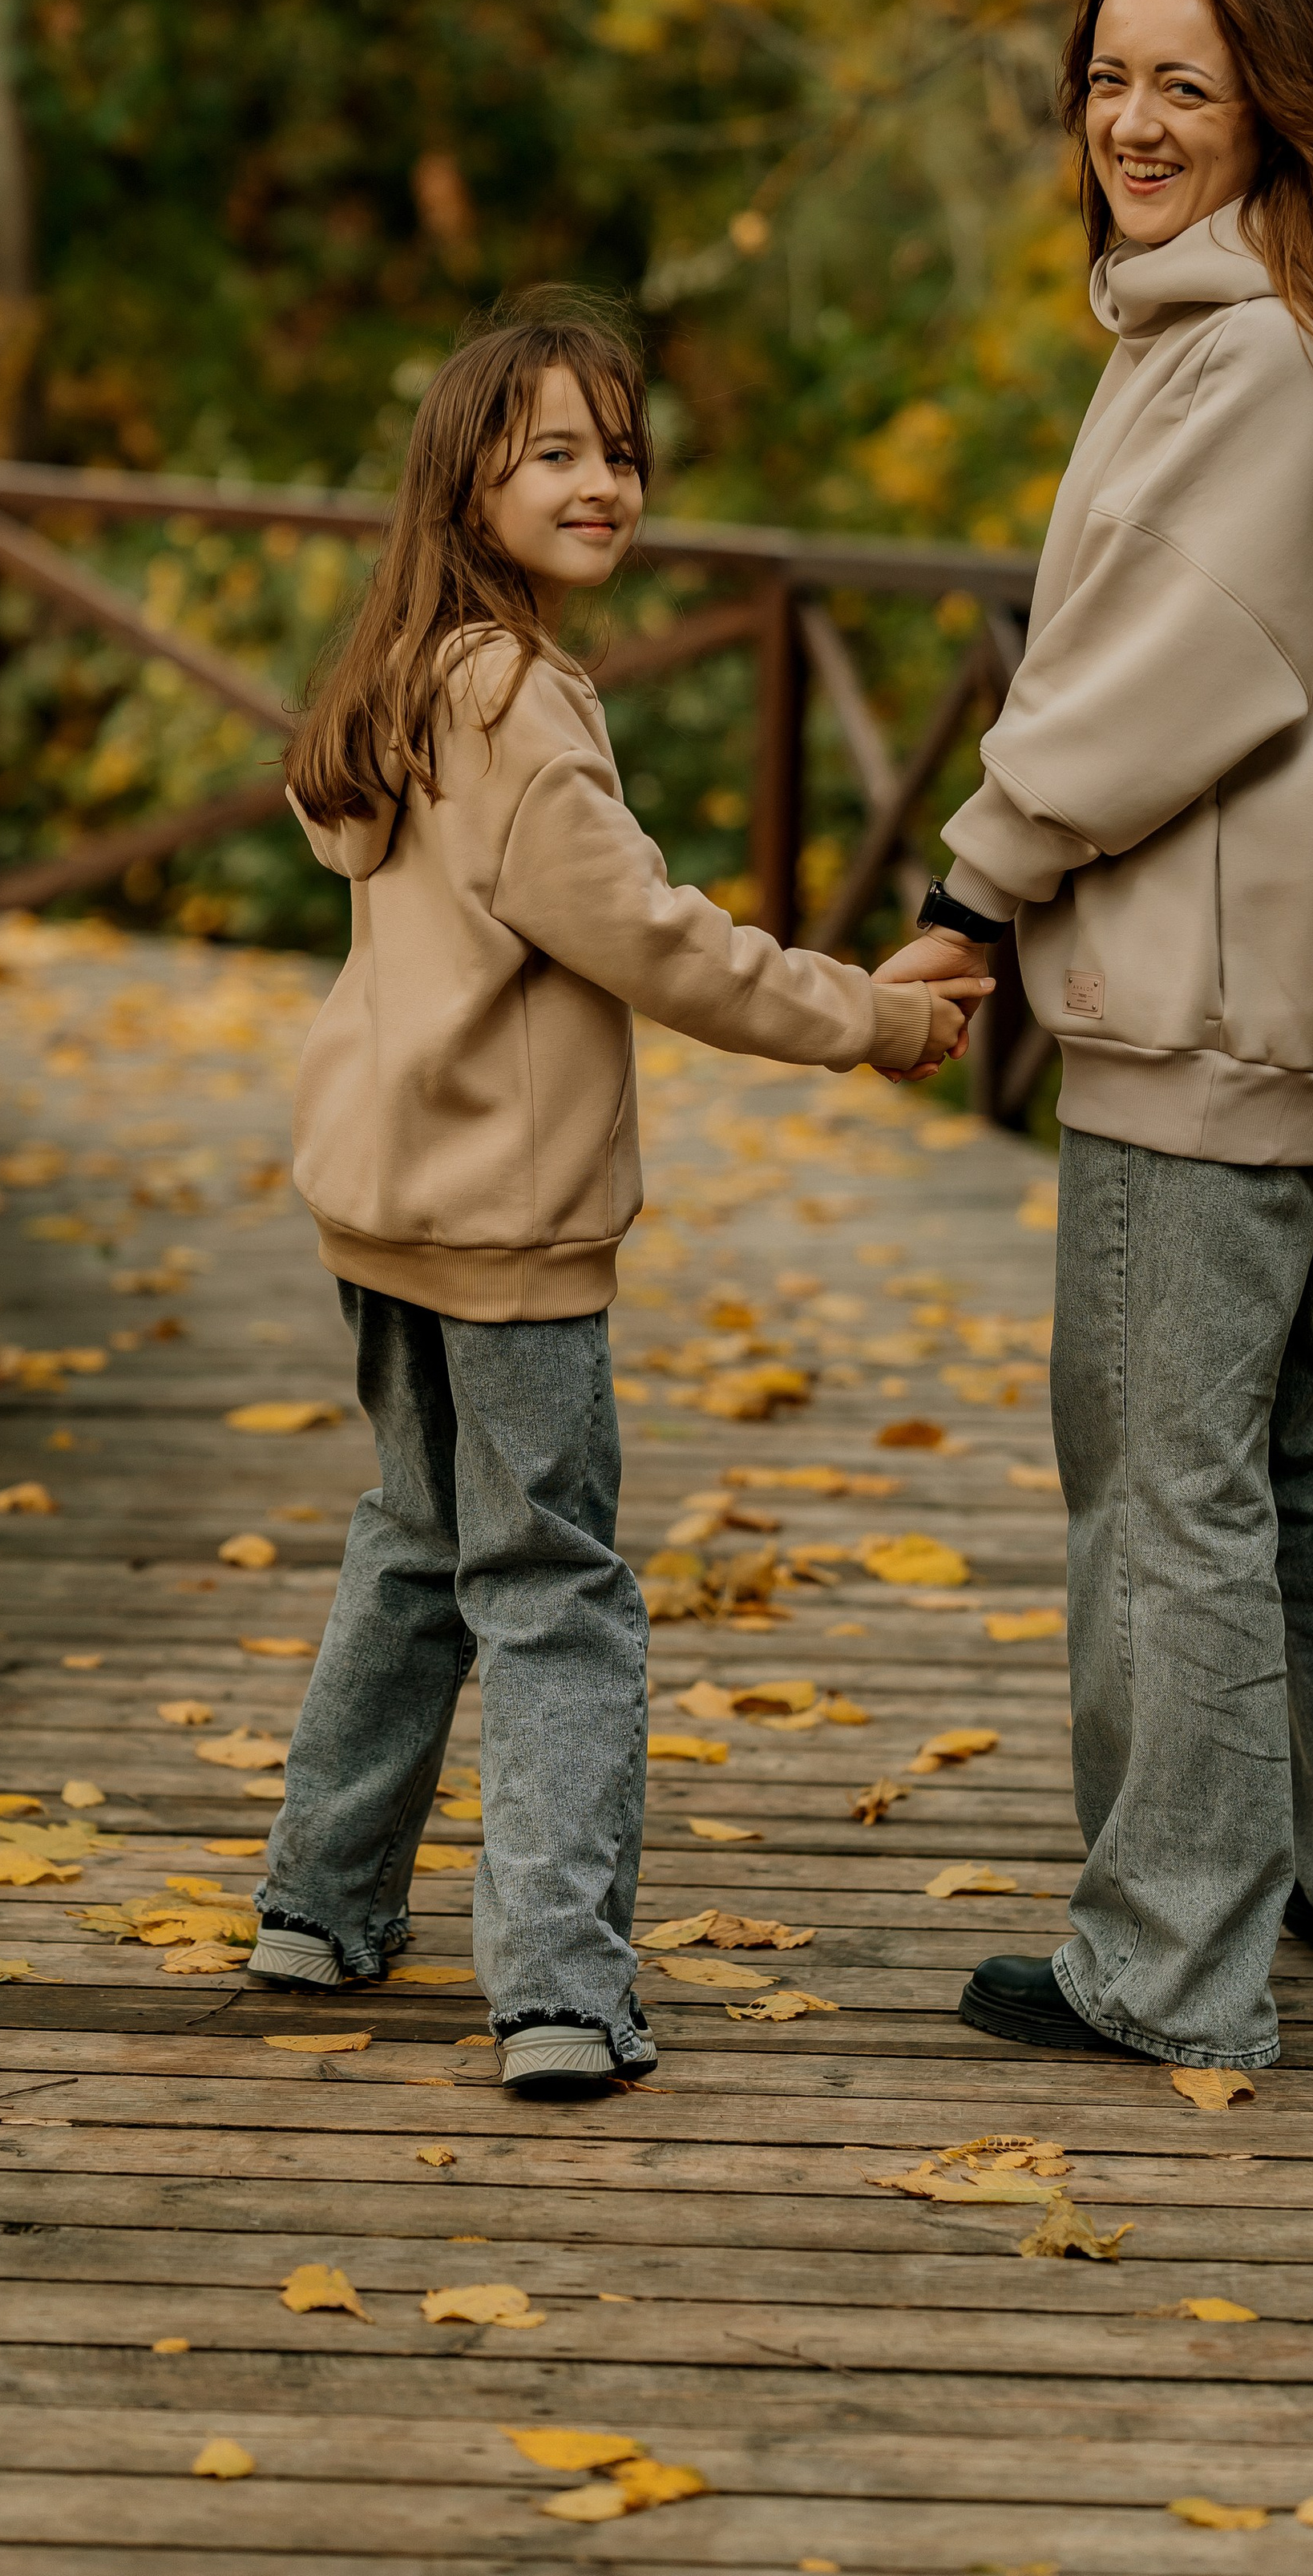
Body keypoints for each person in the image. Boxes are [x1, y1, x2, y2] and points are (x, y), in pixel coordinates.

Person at [878, 0, 1313, 2073]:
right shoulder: (1288, 316)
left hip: (1218, 1002)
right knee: (1293, 1441)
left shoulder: (1250, 354)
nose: (1131, 124)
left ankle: (1166, 1962)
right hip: (1309, 986)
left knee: (1162, 1481)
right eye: (1105, 79)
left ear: (1271, 117)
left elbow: (1160, 677)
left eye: (1184, 89)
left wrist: (973, 885)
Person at [252, 293, 984, 2096]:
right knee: (553, 1582)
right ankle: (561, 1992)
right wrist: (874, 1017)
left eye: (623, 454)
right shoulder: (518, 699)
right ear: (468, 486)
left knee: (415, 1538)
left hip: (381, 1197)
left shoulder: (401, 676)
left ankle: (319, 1907)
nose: (605, 485)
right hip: (507, 1221)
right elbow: (654, 941)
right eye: (557, 454)